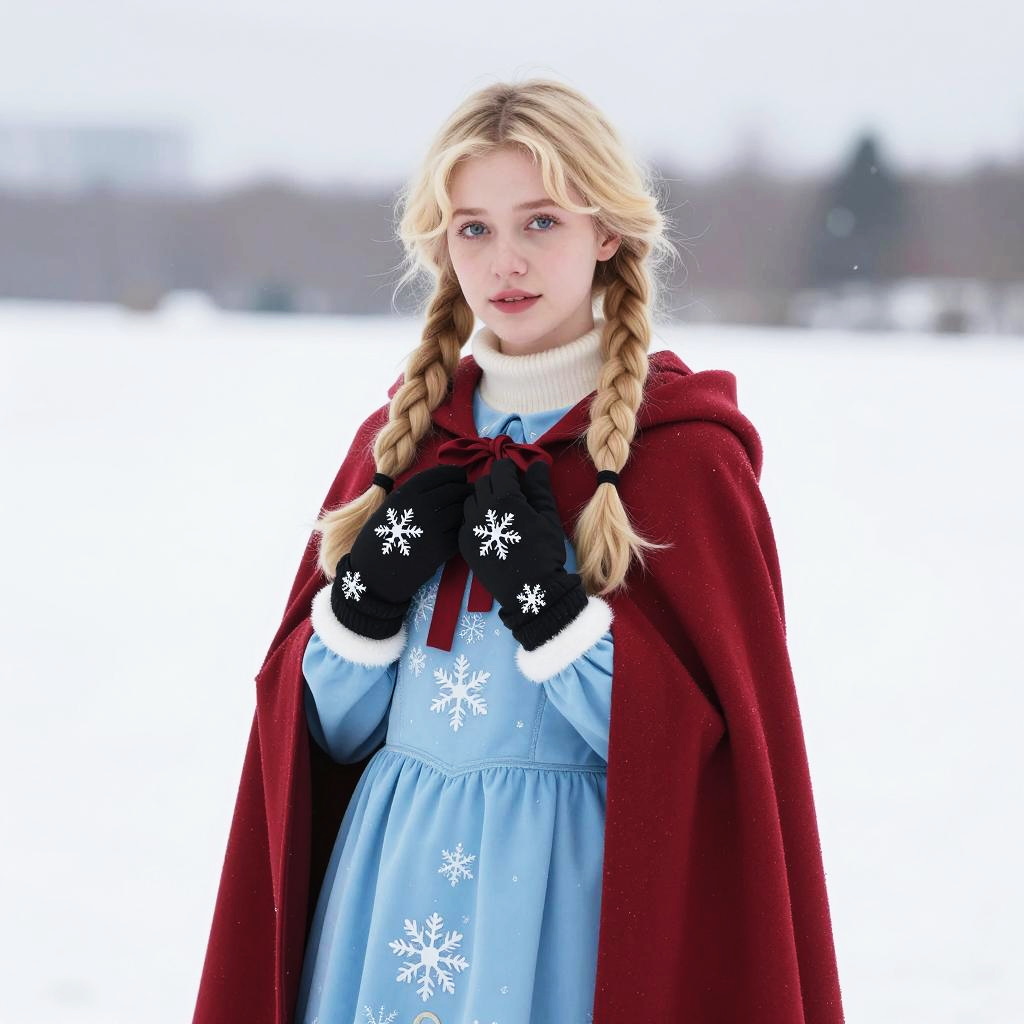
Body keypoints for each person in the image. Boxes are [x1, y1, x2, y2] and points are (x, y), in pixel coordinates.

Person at [193, 79, 845, 1023]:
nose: (506, 261)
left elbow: (708, 765)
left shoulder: (685, 456)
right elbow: (317, 740)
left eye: (540, 223)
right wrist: (364, 605)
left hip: (565, 901)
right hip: (390, 880)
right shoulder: (400, 443)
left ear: (606, 232)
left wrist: (556, 612)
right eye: (473, 229)